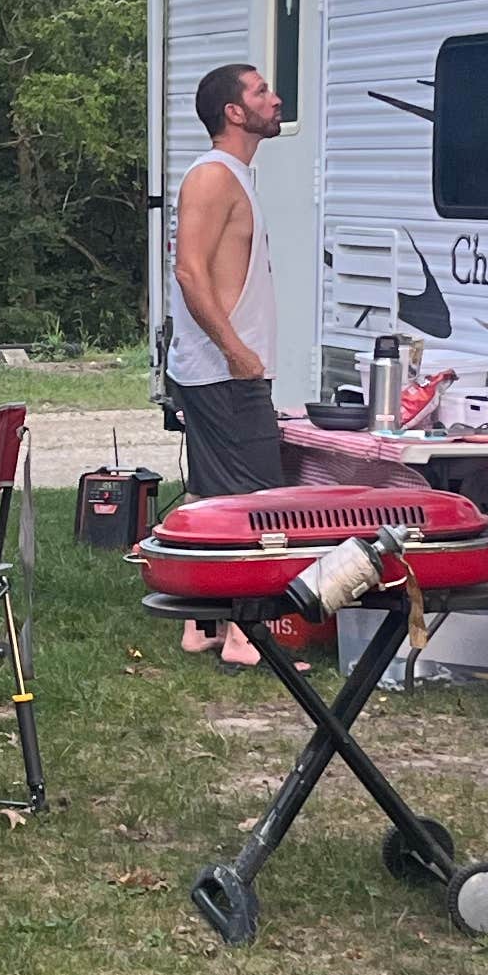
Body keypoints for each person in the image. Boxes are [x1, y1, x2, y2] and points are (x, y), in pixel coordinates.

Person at [168, 60, 286, 660]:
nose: (275, 98)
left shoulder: (235, 176)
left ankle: (201, 625)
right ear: (234, 112)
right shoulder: (214, 176)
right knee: (259, 499)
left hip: (218, 366)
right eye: (262, 92)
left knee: (211, 496)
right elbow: (188, 269)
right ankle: (245, 634)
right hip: (225, 368)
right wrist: (237, 351)